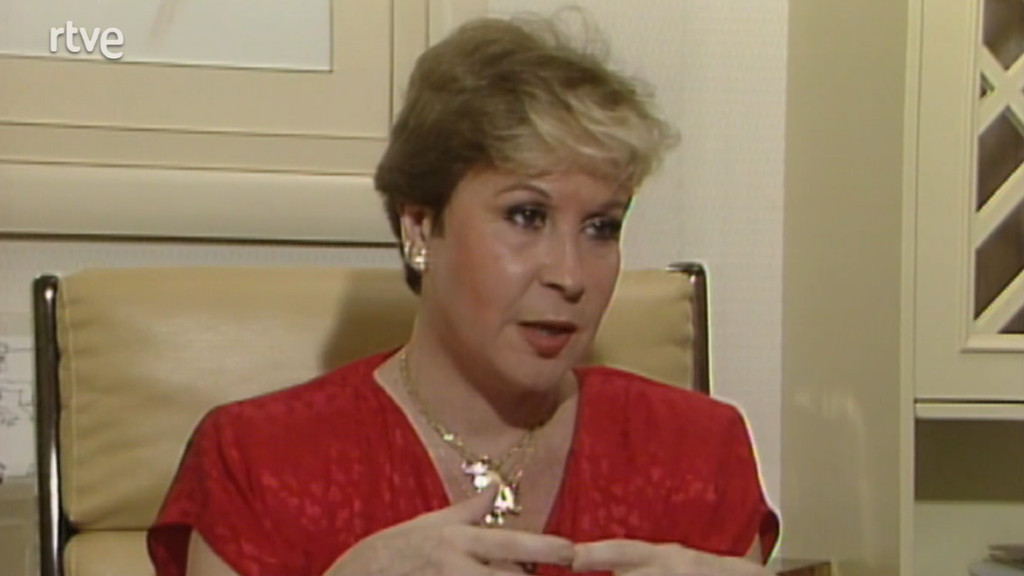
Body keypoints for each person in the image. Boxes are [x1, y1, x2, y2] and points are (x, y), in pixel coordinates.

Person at [147, 13, 779, 576]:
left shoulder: (697, 451)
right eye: (527, 216)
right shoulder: (260, 460)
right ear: (421, 226)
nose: (570, 275)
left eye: (601, 227)